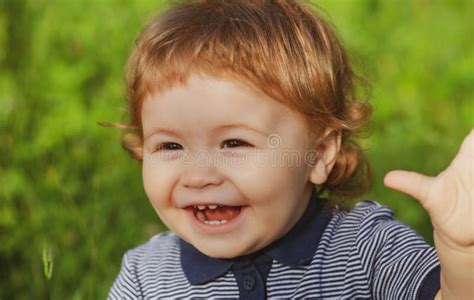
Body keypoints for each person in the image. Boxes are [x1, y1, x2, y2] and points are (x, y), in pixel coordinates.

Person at [106, 0, 473, 299]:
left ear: (318, 153)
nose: (199, 175)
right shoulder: (145, 278)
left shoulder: (364, 251)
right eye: (170, 145)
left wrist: (461, 254)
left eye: (234, 143)